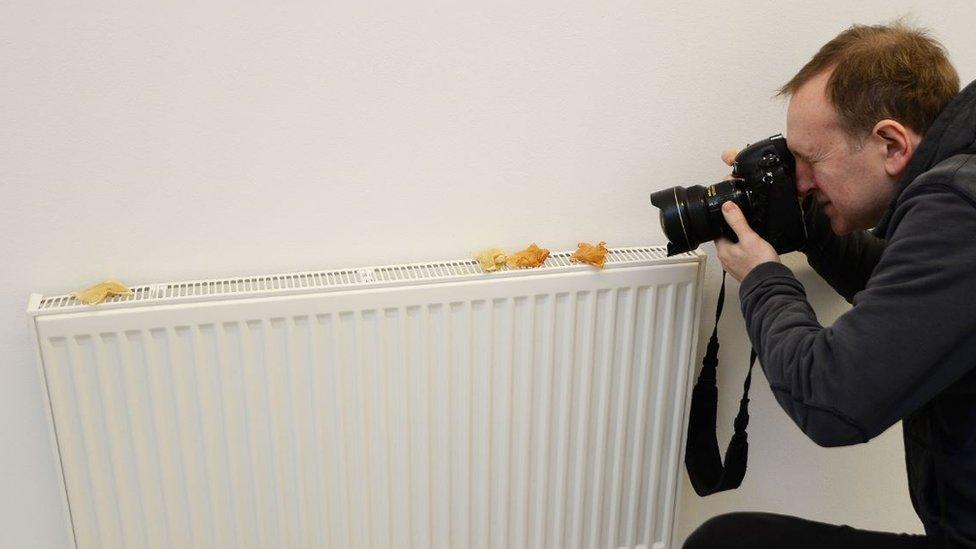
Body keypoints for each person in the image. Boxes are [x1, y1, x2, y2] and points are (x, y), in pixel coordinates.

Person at [683, 22, 976, 549]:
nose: (800, 182)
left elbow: (832, 399)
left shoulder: (959, 206)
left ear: (891, 144)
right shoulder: (960, 186)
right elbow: (913, 304)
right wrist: (804, 225)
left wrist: (761, 278)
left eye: (809, 161)